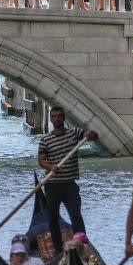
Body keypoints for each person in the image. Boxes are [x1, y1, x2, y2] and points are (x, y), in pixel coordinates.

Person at [38, 107, 99, 255]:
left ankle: (82, 245)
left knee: (76, 215)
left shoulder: (75, 133)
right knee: (52, 219)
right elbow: (41, 161)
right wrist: (50, 166)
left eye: (59, 116)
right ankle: (59, 250)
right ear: (51, 119)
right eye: (54, 116)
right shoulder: (45, 140)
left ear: (63, 118)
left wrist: (91, 134)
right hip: (52, 185)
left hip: (69, 185)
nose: (57, 118)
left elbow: (94, 137)